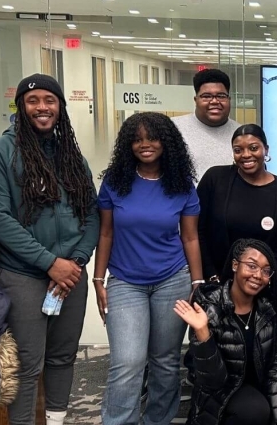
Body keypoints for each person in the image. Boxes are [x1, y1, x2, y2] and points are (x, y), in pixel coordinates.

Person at [0, 73, 99, 425]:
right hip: (25, 276)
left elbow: (92, 214)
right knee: (28, 363)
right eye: (33, 101)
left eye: (50, 100)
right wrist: (49, 263)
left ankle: (57, 421)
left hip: (71, 276)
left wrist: (75, 262)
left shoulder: (71, 156)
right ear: (20, 107)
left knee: (63, 356)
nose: (42, 107)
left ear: (60, 107)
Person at [93, 112, 205, 424]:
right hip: (125, 282)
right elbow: (106, 233)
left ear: (166, 143)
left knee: (165, 360)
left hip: (173, 280)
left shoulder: (182, 185)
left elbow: (191, 237)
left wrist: (197, 281)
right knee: (128, 360)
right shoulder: (115, 183)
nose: (145, 145)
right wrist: (98, 278)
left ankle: (158, 420)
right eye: (137, 139)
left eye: (152, 138)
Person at [175, 239, 277, 425]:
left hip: (261, 387)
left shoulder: (269, 310)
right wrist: (203, 332)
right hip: (223, 394)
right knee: (254, 410)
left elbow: (276, 371)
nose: (258, 275)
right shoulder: (209, 306)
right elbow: (213, 382)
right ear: (235, 265)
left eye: (265, 271)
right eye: (252, 266)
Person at [197, 123, 277, 281]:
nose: (245, 155)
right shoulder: (215, 179)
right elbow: (199, 231)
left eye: (253, 148)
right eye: (238, 150)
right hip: (216, 283)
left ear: (266, 149)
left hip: (262, 284)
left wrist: (261, 278)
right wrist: (211, 274)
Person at [172, 69, 241, 175]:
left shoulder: (242, 134)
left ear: (229, 99)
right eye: (207, 96)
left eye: (221, 96)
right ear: (195, 100)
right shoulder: (172, 129)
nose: (214, 101)